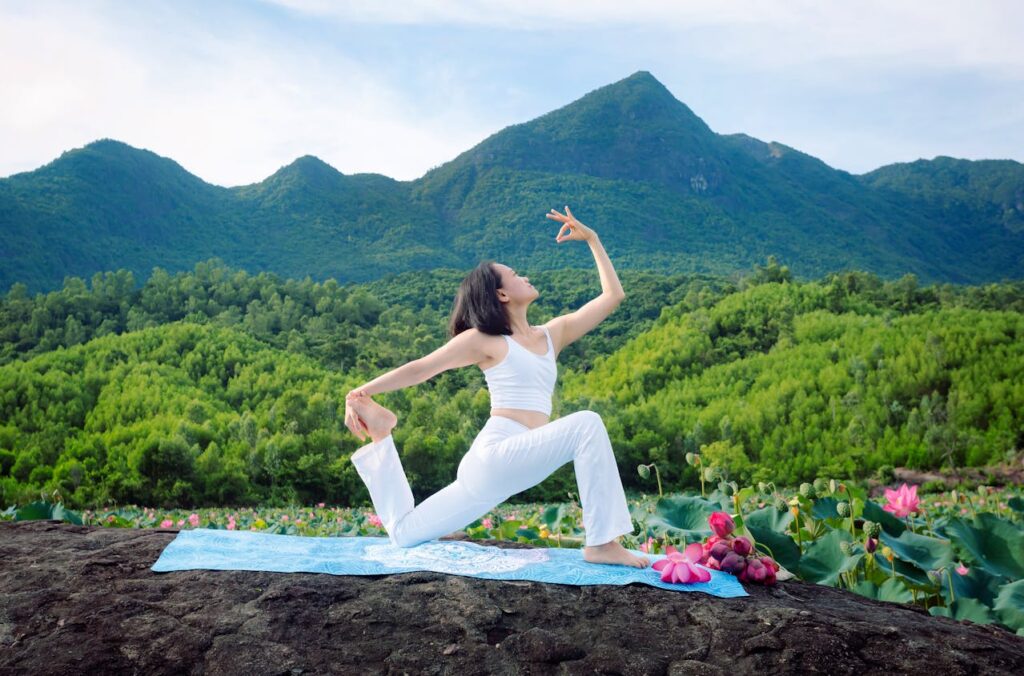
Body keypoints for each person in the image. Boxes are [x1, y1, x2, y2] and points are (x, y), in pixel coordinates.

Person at [344, 205, 649, 568]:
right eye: (515, 275)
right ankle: (601, 543)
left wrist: (594, 240)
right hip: (495, 456)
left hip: (514, 464)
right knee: (587, 423)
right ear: (501, 295)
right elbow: (422, 368)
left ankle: (381, 436)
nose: (525, 276)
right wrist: (361, 391)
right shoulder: (486, 340)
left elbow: (612, 297)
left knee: (404, 533)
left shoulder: (553, 334)